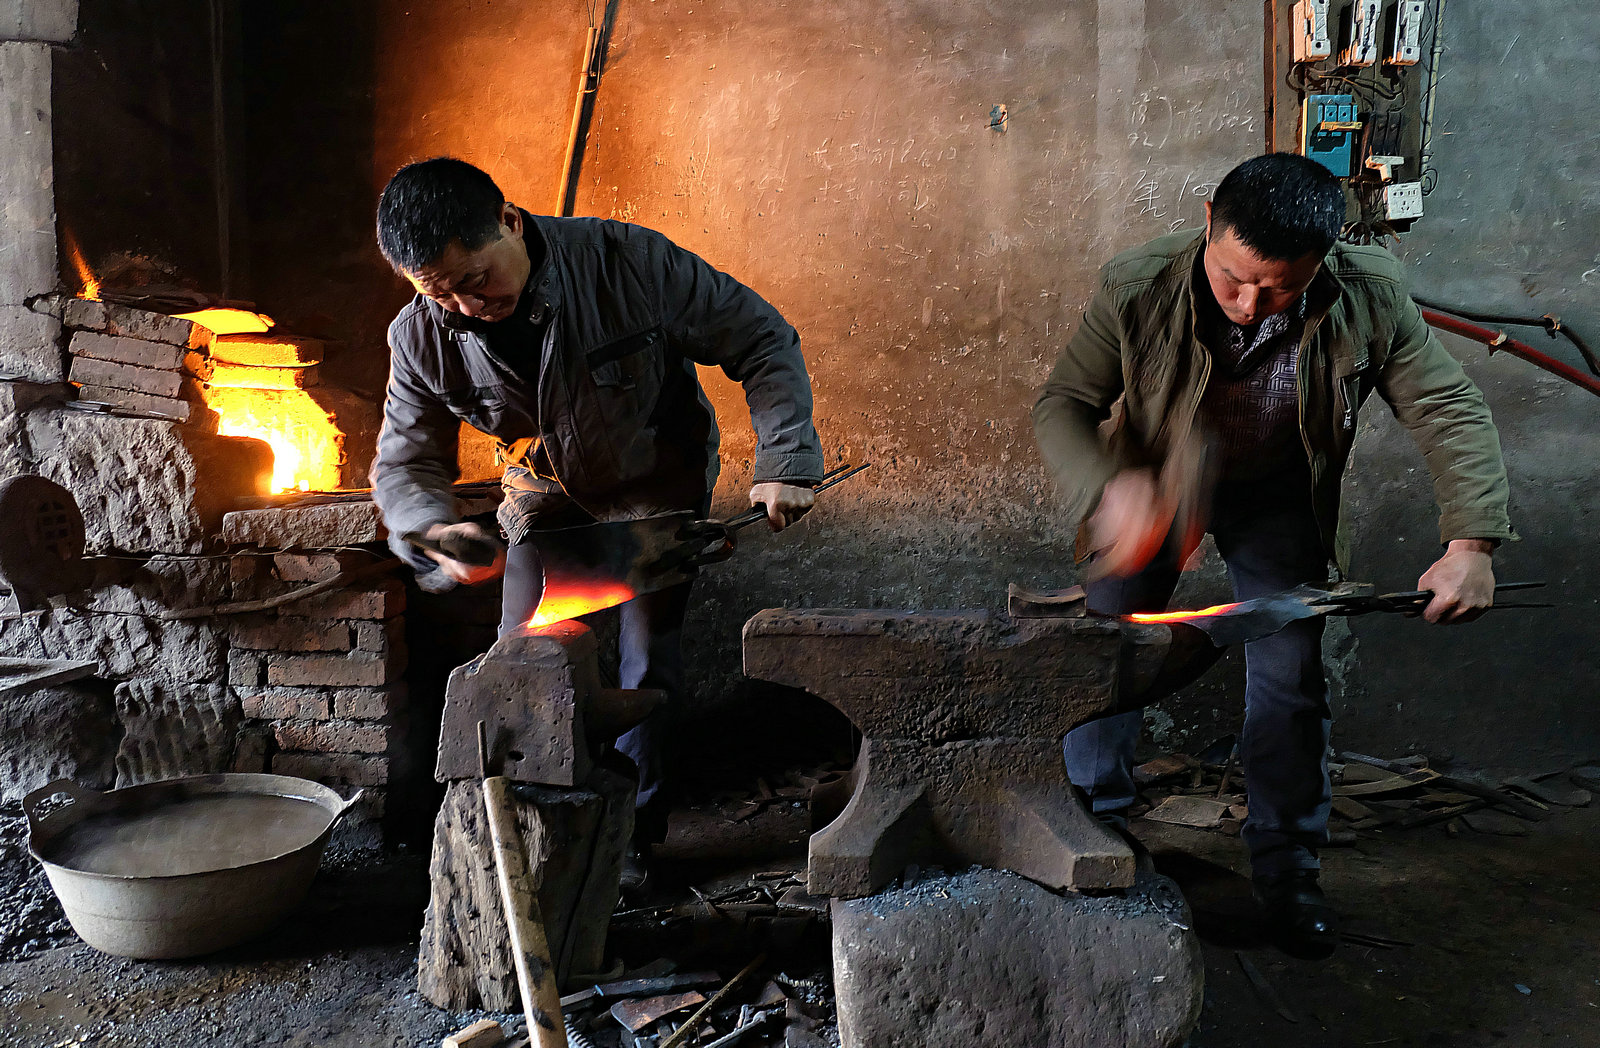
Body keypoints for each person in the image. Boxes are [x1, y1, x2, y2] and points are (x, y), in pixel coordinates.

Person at [1031, 153, 1512, 959]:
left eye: (1280, 288)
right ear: (1210, 215)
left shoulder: (1370, 292)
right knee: (1104, 655)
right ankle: (1093, 833)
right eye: (1232, 281)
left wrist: (1472, 543)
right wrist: (1109, 489)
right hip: (1151, 488)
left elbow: (1446, 405)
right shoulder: (1137, 283)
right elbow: (1066, 405)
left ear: (1325, 256)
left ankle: (1287, 869)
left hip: (1281, 494)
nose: (1252, 306)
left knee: (1290, 677)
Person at [370, 157, 824, 871]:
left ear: (511, 223)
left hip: (654, 482)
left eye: (475, 279)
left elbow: (762, 338)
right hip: (545, 496)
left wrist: (786, 462)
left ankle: (634, 838)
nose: (465, 306)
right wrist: (428, 526)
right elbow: (407, 459)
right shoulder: (420, 335)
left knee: (646, 665)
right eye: (439, 294)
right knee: (524, 658)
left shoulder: (630, 262)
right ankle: (535, 841)